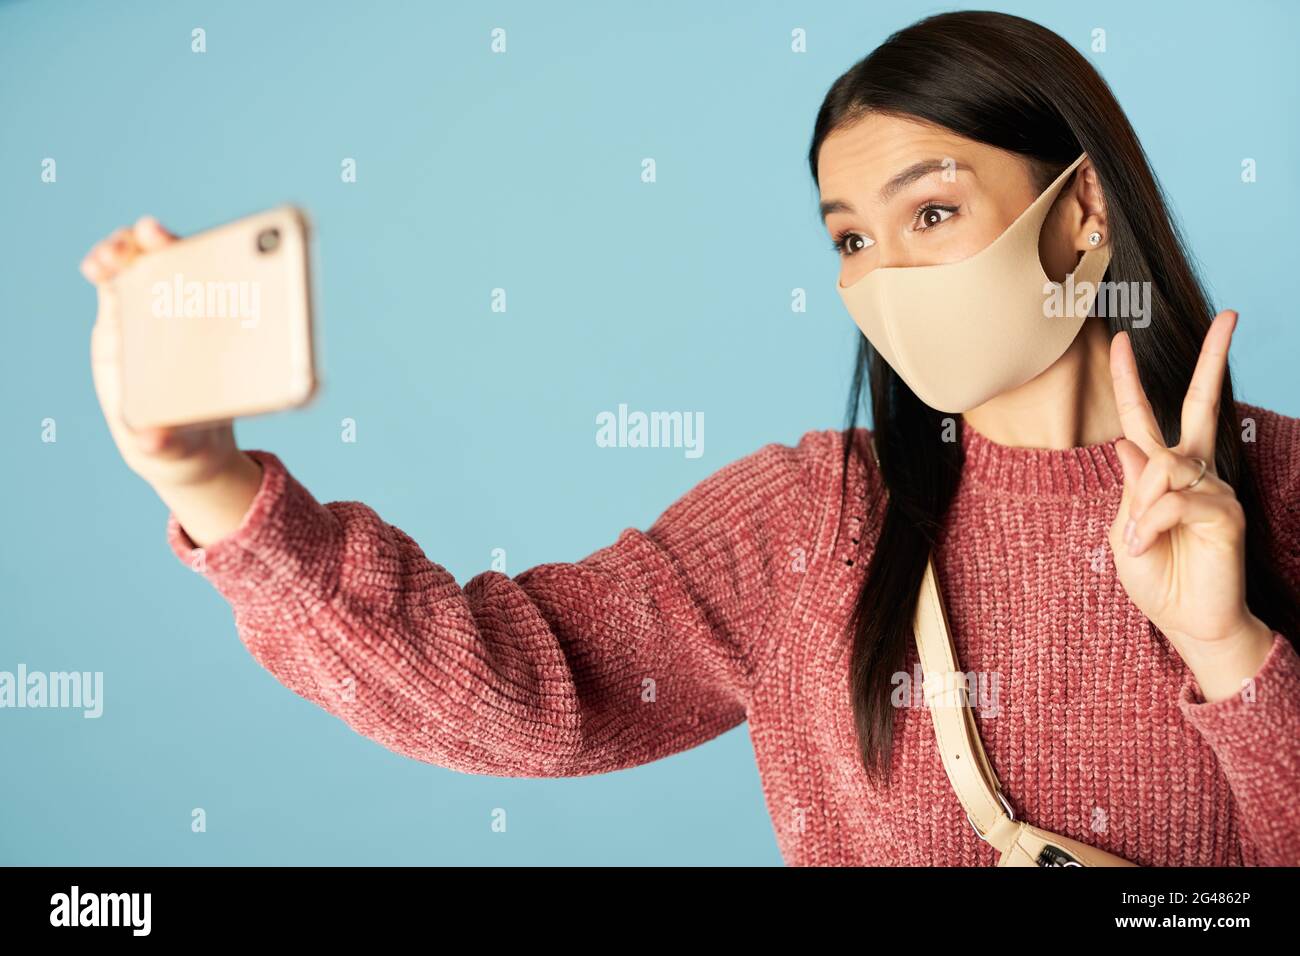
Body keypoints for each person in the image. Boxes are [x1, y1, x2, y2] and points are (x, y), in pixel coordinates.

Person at [79, 11, 1300, 866]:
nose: (882, 276)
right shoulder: (811, 519)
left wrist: (1230, 648)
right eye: (850, 239)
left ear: (1080, 208)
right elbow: (520, 692)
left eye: (930, 210)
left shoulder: (1283, 488)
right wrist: (217, 486)